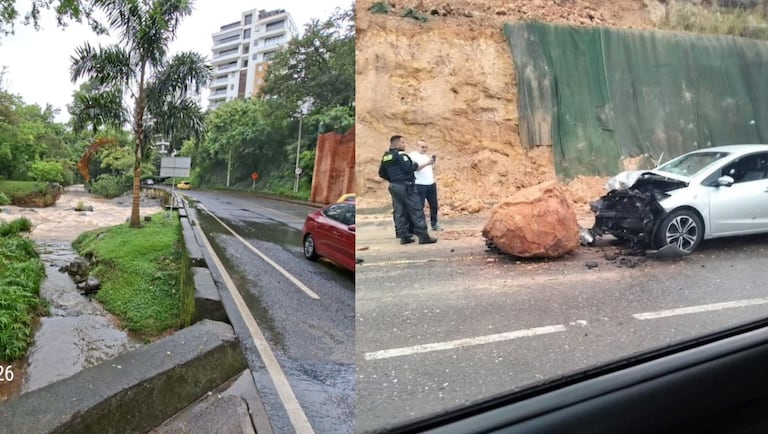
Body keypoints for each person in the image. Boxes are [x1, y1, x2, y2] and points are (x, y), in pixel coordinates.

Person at [378, 135, 438, 245]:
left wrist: (393, 179)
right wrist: (414, 165)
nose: (404, 144)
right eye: (403, 142)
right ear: (397, 144)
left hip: (394, 186)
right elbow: (409, 169)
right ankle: (423, 236)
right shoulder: (402, 155)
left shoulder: (386, 156)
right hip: (406, 185)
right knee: (416, 210)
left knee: (399, 211)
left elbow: (381, 173)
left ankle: (403, 236)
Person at [409, 140, 443, 231]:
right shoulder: (412, 156)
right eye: (422, 147)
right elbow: (415, 169)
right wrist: (427, 163)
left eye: (425, 147)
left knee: (434, 205)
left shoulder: (426, 156)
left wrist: (430, 163)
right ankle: (420, 225)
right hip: (419, 184)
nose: (424, 149)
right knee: (420, 206)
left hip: (430, 183)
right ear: (416, 146)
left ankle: (434, 223)